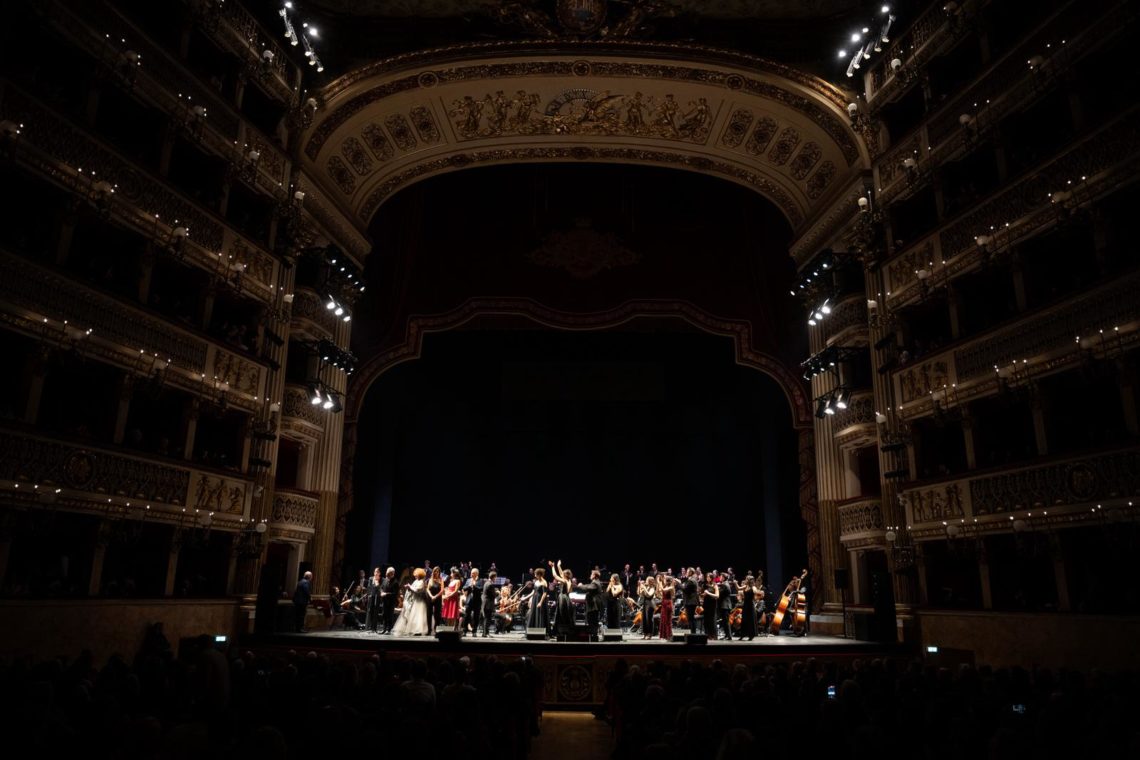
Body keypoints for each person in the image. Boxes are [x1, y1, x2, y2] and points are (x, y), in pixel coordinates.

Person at [393, 568, 430, 636]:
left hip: (419, 601)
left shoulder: (421, 582)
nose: (415, 575)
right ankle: (413, 630)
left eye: (416, 574)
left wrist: (409, 586)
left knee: (418, 616)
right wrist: (408, 587)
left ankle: (419, 630)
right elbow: (412, 589)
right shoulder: (416, 581)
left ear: (419, 574)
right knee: (413, 616)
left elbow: (417, 590)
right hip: (414, 600)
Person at [549, 560, 574, 640]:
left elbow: (555, 575)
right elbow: (560, 573)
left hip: (562, 598)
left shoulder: (564, 580)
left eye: (563, 573)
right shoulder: (568, 580)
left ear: (565, 575)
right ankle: (561, 631)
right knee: (561, 614)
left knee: (561, 614)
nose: (562, 574)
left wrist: (553, 567)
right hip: (565, 598)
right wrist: (558, 566)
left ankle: (560, 631)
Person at [576, 569, 603, 638]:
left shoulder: (595, 583)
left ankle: (594, 636)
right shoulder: (595, 582)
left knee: (592, 620)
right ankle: (593, 635)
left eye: (591, 574)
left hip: (594, 605)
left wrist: (580, 585)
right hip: (593, 605)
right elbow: (588, 586)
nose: (590, 575)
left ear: (594, 575)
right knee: (592, 620)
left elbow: (587, 587)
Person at [737, 575, 758, 641]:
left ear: (749, 580)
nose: (745, 580)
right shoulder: (745, 586)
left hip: (750, 605)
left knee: (750, 620)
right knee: (744, 620)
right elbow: (738, 588)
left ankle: (751, 635)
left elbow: (756, 596)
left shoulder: (753, 587)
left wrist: (755, 595)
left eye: (746, 579)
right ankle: (742, 635)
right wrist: (735, 583)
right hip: (745, 605)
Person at [463, 568, 482, 637]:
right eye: (471, 573)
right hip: (469, 601)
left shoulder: (480, 580)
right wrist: (469, 586)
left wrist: (474, 586)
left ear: (477, 574)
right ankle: (464, 631)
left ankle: (474, 631)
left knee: (476, 617)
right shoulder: (468, 580)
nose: (471, 574)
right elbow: (464, 588)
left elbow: (481, 589)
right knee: (466, 616)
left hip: (477, 601)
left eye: (473, 573)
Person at [380, 567, 399, 634]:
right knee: (384, 614)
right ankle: (384, 628)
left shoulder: (395, 582)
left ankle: (389, 629)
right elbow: (381, 587)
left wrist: (386, 594)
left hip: (391, 601)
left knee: (389, 615)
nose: (386, 574)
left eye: (388, 573)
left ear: (392, 573)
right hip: (384, 601)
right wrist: (381, 592)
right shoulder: (385, 580)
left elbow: (395, 594)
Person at [637, 575, 657, 640]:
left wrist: (644, 588)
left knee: (649, 620)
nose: (646, 581)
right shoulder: (647, 587)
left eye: (647, 580)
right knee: (644, 620)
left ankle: (649, 634)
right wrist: (639, 587)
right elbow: (640, 594)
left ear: (650, 581)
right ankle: (645, 633)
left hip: (650, 605)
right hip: (645, 604)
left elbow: (649, 595)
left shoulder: (652, 588)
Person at [481, 570, 499, 637]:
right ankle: (486, 633)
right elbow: (493, 595)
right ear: (493, 577)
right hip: (488, 604)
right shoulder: (490, 584)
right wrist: (497, 593)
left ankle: (484, 633)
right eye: (495, 577)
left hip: (485, 603)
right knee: (487, 619)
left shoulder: (486, 583)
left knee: (486, 618)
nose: (496, 579)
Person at [682, 568, 699, 635]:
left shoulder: (691, 580)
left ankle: (693, 634)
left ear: (691, 572)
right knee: (691, 618)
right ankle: (693, 633)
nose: (686, 572)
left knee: (691, 618)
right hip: (691, 601)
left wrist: (679, 584)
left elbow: (685, 589)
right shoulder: (692, 579)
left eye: (687, 571)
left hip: (691, 601)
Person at [701, 573, 719, 639]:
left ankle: (714, 635)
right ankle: (708, 635)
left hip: (712, 605)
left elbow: (717, 596)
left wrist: (708, 593)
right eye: (707, 577)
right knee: (706, 620)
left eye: (708, 577)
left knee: (712, 620)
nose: (707, 578)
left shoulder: (715, 585)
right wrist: (703, 595)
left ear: (711, 578)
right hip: (706, 604)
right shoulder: (705, 585)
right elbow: (702, 595)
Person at [427, 566, 444, 634]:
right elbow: (428, 589)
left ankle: (436, 629)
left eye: (438, 571)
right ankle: (429, 630)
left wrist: (435, 596)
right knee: (429, 614)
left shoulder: (441, 579)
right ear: (433, 572)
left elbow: (442, 590)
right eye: (435, 571)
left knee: (437, 614)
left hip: (438, 598)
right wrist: (431, 596)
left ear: (439, 572)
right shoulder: (430, 579)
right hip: (430, 597)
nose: (436, 572)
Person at [717, 572, 734, 641]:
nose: (720, 578)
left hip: (725, 605)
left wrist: (716, 588)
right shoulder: (725, 584)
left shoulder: (724, 584)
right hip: (725, 605)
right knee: (724, 621)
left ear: (723, 578)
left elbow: (719, 594)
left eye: (721, 577)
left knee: (726, 621)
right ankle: (727, 635)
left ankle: (729, 636)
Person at [366, 567, 383, 633]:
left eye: (377, 572)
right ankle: (370, 626)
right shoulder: (371, 578)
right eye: (375, 571)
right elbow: (369, 587)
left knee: (376, 612)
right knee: (371, 611)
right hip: (371, 597)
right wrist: (369, 594)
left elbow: (381, 588)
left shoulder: (381, 579)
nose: (376, 573)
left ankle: (374, 627)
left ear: (379, 573)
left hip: (377, 597)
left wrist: (377, 583)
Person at [658, 576, 675, 641]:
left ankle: (669, 636)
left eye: (665, 580)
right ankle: (665, 636)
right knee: (663, 620)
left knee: (667, 620)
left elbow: (663, 590)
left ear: (668, 581)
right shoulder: (666, 586)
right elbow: (660, 592)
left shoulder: (671, 587)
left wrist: (659, 583)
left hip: (668, 604)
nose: (664, 581)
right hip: (664, 603)